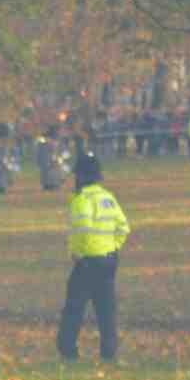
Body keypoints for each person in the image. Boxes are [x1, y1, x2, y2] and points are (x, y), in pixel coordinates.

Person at [56, 154, 129, 363]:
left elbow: (82, 231)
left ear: (80, 176)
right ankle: (109, 352)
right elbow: (123, 227)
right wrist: (113, 248)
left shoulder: (81, 200)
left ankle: (67, 350)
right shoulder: (108, 197)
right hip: (109, 260)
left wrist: (78, 253)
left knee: (74, 307)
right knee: (106, 308)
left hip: (88, 260)